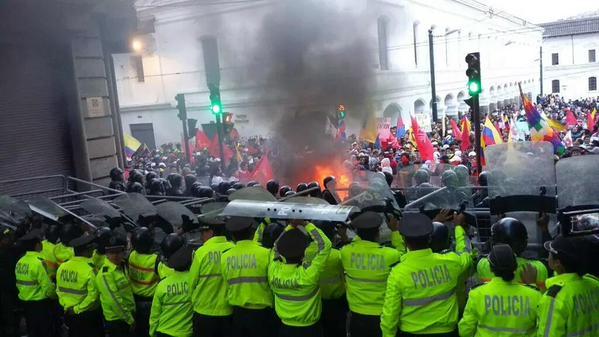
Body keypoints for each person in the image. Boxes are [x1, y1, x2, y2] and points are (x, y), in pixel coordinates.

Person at [381, 213, 472, 337]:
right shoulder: (452, 262)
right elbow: (466, 254)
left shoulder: (398, 272)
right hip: (447, 332)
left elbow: (390, 313)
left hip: (411, 333)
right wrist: (458, 228)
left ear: (404, 240)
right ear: (430, 238)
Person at [340, 212, 403, 337]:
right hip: (382, 315)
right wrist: (395, 231)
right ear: (378, 232)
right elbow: (403, 255)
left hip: (356, 315)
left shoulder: (346, 252)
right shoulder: (391, 255)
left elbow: (354, 243)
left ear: (358, 232)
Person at [458, 244, 541, 337]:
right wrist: (532, 284)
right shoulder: (535, 295)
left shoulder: (476, 294)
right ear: (515, 266)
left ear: (490, 268)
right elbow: (542, 330)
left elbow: (465, 331)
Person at [268, 220, 332, 337]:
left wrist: (290, 227)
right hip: (310, 329)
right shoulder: (308, 274)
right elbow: (325, 245)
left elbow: (276, 247)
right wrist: (305, 224)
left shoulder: (273, 271)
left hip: (285, 328)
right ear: (303, 254)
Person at [221, 217, 275, 337]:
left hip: (237, 313)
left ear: (233, 236)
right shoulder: (265, 253)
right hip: (262, 313)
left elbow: (226, 281)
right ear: (251, 231)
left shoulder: (225, 257)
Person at [537, 235, 599, 337]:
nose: (548, 256)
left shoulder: (555, 297)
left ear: (557, 263)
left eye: (550, 253)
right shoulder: (595, 284)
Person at [189, 215, 234, 337]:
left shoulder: (201, 252)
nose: (201, 236)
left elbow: (191, 283)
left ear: (211, 232)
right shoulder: (233, 249)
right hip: (228, 311)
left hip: (203, 312)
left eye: (203, 232)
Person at [476, 218, 548, 290]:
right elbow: (542, 298)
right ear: (524, 244)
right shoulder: (538, 268)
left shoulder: (483, 265)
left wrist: (498, 229)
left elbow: (488, 250)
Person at [56, 233, 104, 337]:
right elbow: (93, 296)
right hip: (88, 316)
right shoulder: (89, 269)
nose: (93, 251)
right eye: (91, 248)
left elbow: (59, 290)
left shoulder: (62, 267)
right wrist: (77, 309)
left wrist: (66, 306)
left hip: (68, 313)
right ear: (86, 250)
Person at [14, 229, 57, 337]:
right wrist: (55, 296)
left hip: (26, 303)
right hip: (41, 305)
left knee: (32, 331)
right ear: (37, 245)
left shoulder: (20, 261)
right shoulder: (39, 262)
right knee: (45, 332)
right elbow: (47, 287)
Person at [95, 231, 135, 337]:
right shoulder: (106, 274)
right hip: (118, 320)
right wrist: (129, 320)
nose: (115, 255)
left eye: (118, 252)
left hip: (128, 314)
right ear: (107, 254)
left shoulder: (122, 266)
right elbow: (114, 301)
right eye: (112, 252)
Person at [149, 244, 194, 337]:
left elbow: (155, 314)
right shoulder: (194, 282)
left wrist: (152, 333)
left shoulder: (162, 285)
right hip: (186, 333)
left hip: (164, 332)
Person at [128, 227, 161, 337]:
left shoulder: (132, 255)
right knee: (149, 330)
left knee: (138, 330)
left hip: (134, 300)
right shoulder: (155, 259)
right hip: (150, 303)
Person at [316, 222, 347, 337]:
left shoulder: (306, 252)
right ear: (332, 236)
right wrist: (344, 237)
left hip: (314, 302)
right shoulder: (337, 255)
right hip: (336, 304)